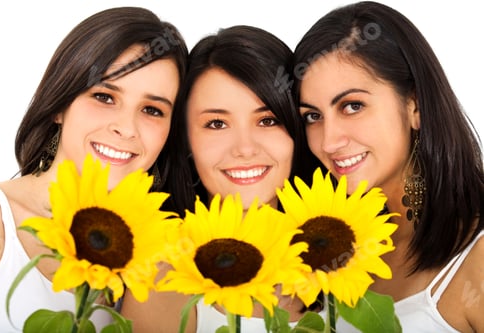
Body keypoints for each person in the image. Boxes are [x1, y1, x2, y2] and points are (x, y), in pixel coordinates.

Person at [0, 6, 187, 332]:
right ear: (59, 106)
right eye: (105, 97)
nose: (127, 128)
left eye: (152, 109)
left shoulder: (159, 253)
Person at [293, 1, 483, 332]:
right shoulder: (311, 249)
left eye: (352, 106)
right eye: (313, 116)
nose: (328, 141)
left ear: (415, 106)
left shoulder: (475, 257)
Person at [121, 25, 321, 333]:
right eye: (216, 123)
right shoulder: (165, 278)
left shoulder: (349, 260)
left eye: (267, 120)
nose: (244, 148)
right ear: (186, 139)